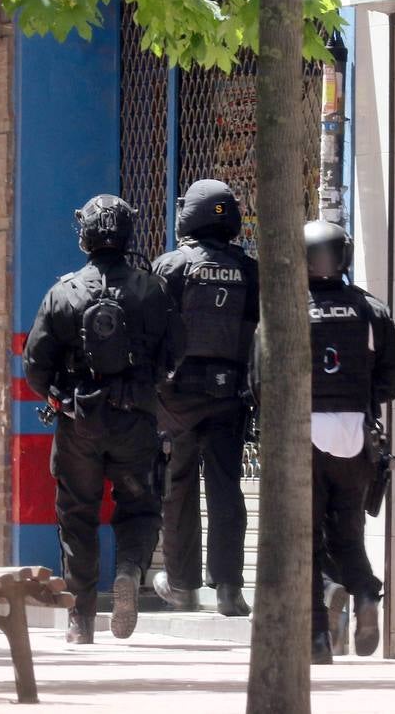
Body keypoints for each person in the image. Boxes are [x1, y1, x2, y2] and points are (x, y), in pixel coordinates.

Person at [23, 194, 185, 644]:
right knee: (140, 507)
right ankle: (130, 572)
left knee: (76, 516)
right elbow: (176, 353)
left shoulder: (63, 291)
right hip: (135, 422)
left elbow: (35, 364)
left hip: (79, 424)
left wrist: (59, 395)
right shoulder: (153, 290)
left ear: (86, 237)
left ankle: (80, 619)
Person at [251, 221, 395, 664]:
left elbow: (260, 379)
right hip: (355, 439)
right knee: (348, 533)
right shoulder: (371, 310)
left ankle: (317, 640)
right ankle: (366, 595)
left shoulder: (283, 311)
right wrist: (363, 397)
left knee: (305, 541)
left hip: (301, 439)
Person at [150, 179, 258, 617]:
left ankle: (182, 586)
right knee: (226, 489)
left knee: (177, 489)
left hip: (175, 399)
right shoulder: (250, 271)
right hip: (231, 395)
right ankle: (230, 589)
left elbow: (151, 330)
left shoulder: (170, 267)